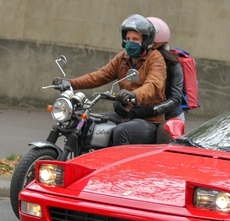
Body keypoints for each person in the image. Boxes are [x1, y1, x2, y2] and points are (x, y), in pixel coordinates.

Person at [53, 14, 166, 145]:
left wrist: (134, 94)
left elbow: (153, 84)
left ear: (146, 41)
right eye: (128, 38)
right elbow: (99, 76)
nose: (130, 42)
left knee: (121, 131)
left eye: (135, 39)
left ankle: (120, 165)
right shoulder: (122, 58)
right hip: (125, 115)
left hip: (148, 120)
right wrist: (70, 82)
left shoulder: (156, 59)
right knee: (87, 123)